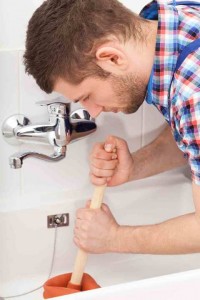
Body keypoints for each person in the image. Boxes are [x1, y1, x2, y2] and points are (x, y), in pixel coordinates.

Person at [24, 0, 200, 255]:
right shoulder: (175, 24)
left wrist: (113, 239)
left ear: (112, 58)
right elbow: (191, 134)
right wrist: (135, 166)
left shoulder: (193, 94)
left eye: (87, 95)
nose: (92, 111)